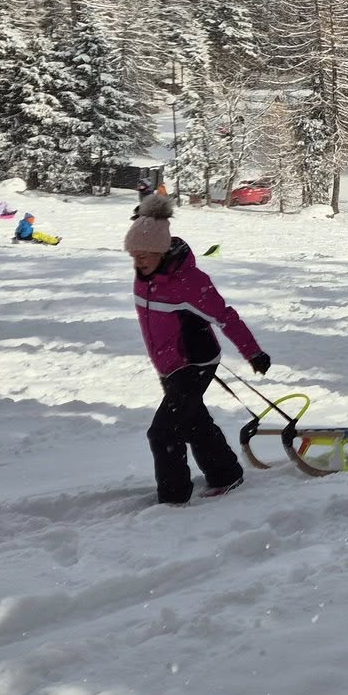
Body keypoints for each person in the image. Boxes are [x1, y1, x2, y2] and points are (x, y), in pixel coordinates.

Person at [126, 192, 271, 505]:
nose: (138, 260)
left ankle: (173, 498)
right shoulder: (145, 277)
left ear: (162, 251)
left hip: (194, 363)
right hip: (167, 364)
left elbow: (225, 316)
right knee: (193, 421)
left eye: (145, 254)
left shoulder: (188, 280)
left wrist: (253, 352)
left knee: (163, 433)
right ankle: (226, 473)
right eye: (134, 254)